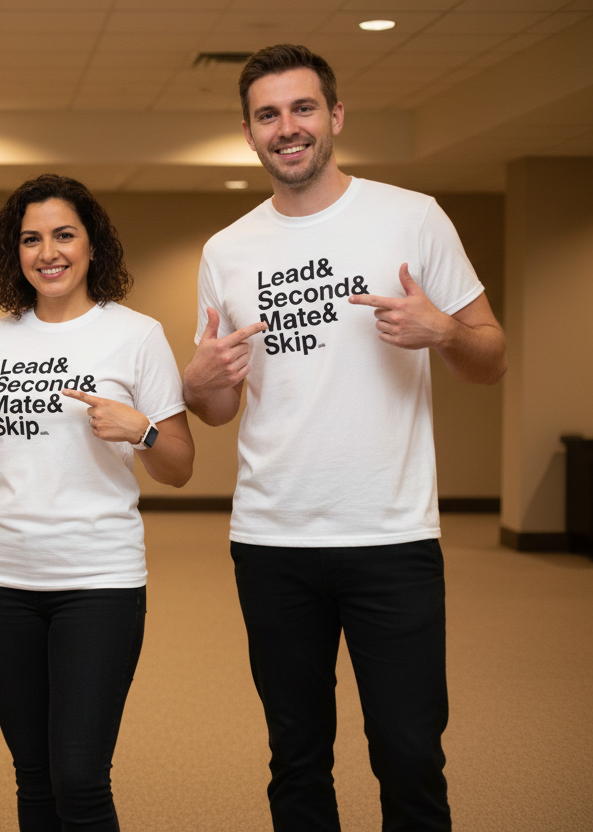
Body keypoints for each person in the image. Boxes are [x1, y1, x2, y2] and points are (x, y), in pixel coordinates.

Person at [183, 44, 507, 831]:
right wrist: (197, 386)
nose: (286, 128)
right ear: (249, 132)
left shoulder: (410, 216)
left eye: (301, 109)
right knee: (296, 758)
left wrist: (442, 331)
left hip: (390, 535)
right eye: (267, 115)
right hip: (271, 537)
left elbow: (489, 357)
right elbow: (221, 409)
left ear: (334, 116)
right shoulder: (227, 251)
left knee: (408, 753)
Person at [0, 174, 196, 831]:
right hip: (2, 584)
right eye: (30, 239)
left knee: (80, 778)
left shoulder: (136, 335)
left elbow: (179, 466)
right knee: (33, 780)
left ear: (91, 246)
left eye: (63, 235)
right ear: (13, 253)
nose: (47, 252)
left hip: (98, 583)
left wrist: (140, 429)